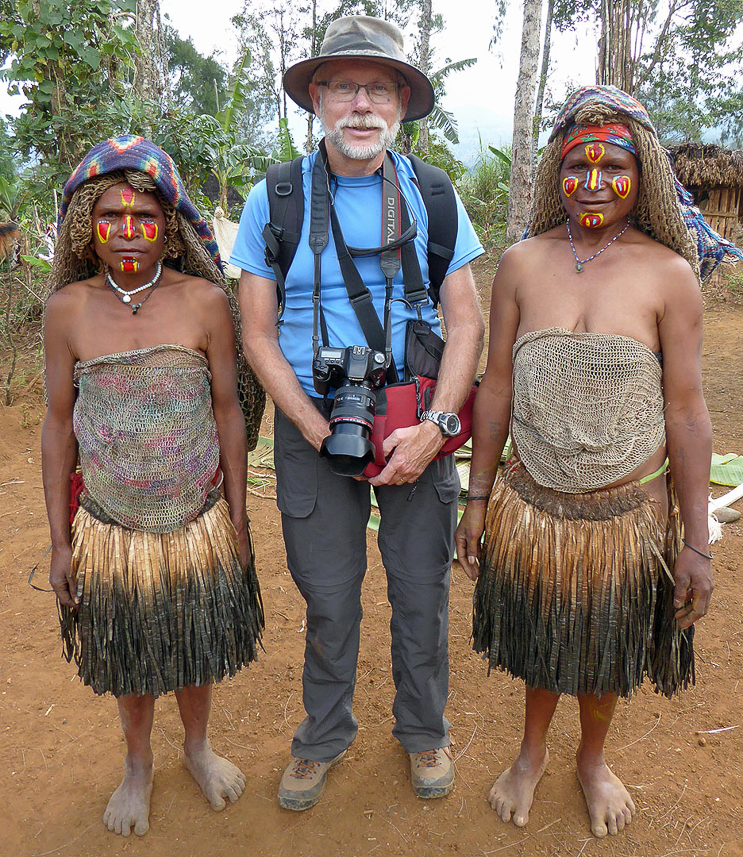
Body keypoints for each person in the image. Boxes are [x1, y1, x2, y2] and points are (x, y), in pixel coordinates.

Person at [455, 86, 741, 838]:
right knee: (545, 636)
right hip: (534, 503)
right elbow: (496, 388)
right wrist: (477, 499)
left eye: (611, 165)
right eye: (575, 164)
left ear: (641, 172)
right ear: (555, 171)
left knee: (605, 649)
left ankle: (590, 757)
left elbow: (685, 411)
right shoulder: (520, 262)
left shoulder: (669, 275)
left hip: (626, 513)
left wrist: (694, 542)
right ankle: (529, 751)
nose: (590, 181)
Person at [231, 16, 484, 810]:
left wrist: (438, 426)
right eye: (343, 84)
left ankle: (423, 731)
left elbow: (466, 320)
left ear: (402, 102)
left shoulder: (433, 194)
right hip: (315, 426)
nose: (361, 104)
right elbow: (256, 332)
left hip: (418, 418)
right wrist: (310, 425)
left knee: (419, 589)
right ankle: (321, 736)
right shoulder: (272, 196)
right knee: (329, 593)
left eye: (379, 86)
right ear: (316, 96)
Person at [42, 136, 264, 837]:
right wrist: (58, 539)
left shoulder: (203, 300)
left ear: (169, 226)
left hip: (195, 517)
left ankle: (196, 748)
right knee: (133, 653)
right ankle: (137, 763)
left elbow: (228, 409)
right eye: (112, 216)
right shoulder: (68, 311)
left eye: (144, 215)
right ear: (87, 226)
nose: (129, 230)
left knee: (194, 642)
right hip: (112, 525)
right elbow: (56, 427)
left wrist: (237, 512)